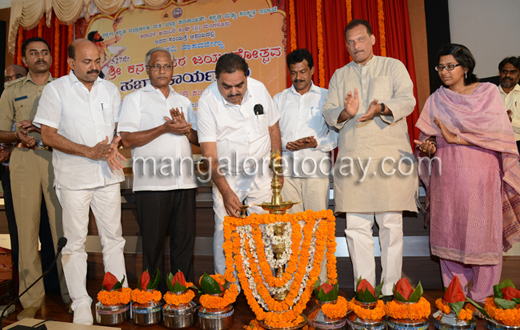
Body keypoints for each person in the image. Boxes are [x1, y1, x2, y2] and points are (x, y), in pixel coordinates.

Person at [415, 44, 520, 303]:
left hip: (481, 173)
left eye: (450, 66)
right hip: (447, 175)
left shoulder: (488, 93)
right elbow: (426, 139)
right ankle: (456, 296)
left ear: (466, 68)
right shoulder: (436, 99)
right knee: (450, 230)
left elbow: (499, 136)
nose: (444, 72)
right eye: (440, 67)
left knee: (482, 232)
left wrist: (457, 137)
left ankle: (482, 297)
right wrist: (428, 147)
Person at [34, 39, 127, 325]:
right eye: (87, 62)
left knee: (113, 239)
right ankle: (81, 303)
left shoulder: (110, 89)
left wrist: (113, 145)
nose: (94, 67)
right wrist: (89, 151)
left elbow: (116, 131)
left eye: (97, 61)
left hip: (107, 176)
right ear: (71, 63)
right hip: (73, 179)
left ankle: (116, 297)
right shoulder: (55, 90)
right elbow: (47, 135)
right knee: (74, 244)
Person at [322, 19, 418, 296]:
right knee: (356, 227)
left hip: (389, 156)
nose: (356, 46)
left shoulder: (392, 66)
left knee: (390, 224)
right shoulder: (340, 75)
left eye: (361, 39)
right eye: (350, 42)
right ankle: (364, 291)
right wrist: (345, 113)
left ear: (373, 39)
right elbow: (328, 110)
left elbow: (408, 100)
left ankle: (391, 290)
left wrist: (383, 107)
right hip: (354, 158)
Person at [0, 37, 70, 319]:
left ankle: (70, 293)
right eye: (33, 53)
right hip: (24, 161)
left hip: (58, 159)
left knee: (63, 231)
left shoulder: (66, 88)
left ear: (51, 57)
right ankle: (30, 298)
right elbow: (1, 131)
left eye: (44, 52)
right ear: (25, 60)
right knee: (26, 232)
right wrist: (16, 135)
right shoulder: (10, 91)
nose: (40, 57)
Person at [118, 47, 198, 291]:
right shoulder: (135, 99)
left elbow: (196, 138)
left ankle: (181, 296)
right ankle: (151, 298)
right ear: (147, 69)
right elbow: (127, 140)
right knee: (152, 247)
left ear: (173, 69)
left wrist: (185, 129)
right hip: (151, 184)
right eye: (156, 66)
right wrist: (164, 128)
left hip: (185, 183)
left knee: (183, 246)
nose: (162, 70)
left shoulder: (183, 101)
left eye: (166, 66)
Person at [197, 53, 282, 275]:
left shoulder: (260, 89)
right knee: (225, 232)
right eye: (227, 87)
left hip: (262, 173)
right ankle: (227, 289)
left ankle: (265, 288)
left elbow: (273, 128)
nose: (234, 92)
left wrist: (278, 167)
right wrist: (225, 191)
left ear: (247, 77)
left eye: (239, 85)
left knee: (264, 230)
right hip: (228, 175)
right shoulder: (207, 102)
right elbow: (209, 154)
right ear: (216, 80)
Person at [273, 48, 337, 283]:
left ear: (312, 70)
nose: (298, 77)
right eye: (293, 73)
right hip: (287, 174)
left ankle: (319, 282)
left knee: (316, 226)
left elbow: (337, 135)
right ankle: (294, 282)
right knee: (291, 228)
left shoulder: (326, 97)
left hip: (315, 170)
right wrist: (282, 147)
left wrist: (315, 142)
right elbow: (272, 134)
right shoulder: (279, 99)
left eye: (302, 71)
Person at [498, 57, 520, 152]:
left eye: (513, 72)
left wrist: (510, 121)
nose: (508, 75)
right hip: (496, 145)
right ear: (499, 73)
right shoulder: (489, 95)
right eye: (504, 71)